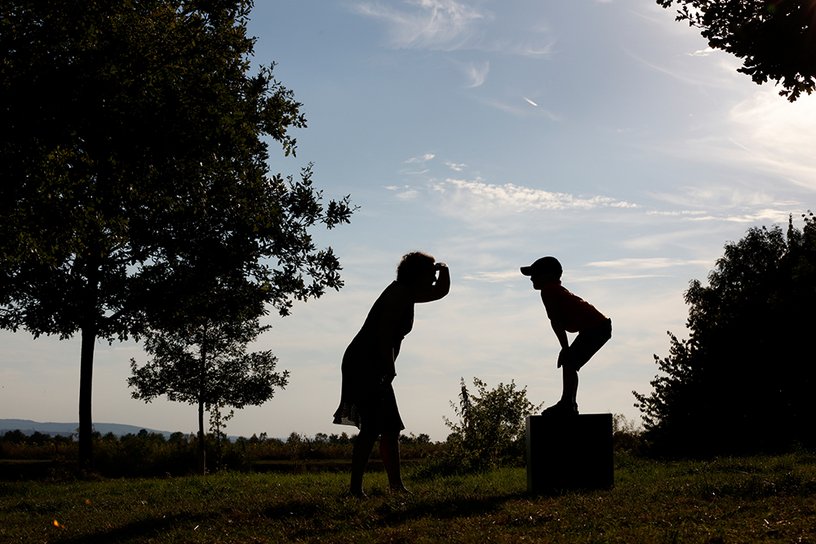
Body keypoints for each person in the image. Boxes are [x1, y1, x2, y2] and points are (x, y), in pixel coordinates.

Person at [333, 251, 450, 497]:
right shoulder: (398, 296)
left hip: (371, 362)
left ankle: (395, 485)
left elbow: (440, 292)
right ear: (417, 274)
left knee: (389, 427)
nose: (432, 279)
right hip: (365, 363)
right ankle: (355, 490)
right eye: (429, 274)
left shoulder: (407, 292)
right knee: (373, 426)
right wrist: (389, 368)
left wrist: (444, 269)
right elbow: (384, 337)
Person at [521, 256, 611, 416]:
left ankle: (567, 403)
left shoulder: (549, 291)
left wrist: (565, 348)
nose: (532, 278)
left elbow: (556, 322)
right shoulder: (553, 290)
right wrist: (566, 349)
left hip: (597, 327)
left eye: (535, 274)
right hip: (596, 327)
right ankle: (569, 403)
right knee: (570, 362)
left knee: (569, 361)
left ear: (548, 275)